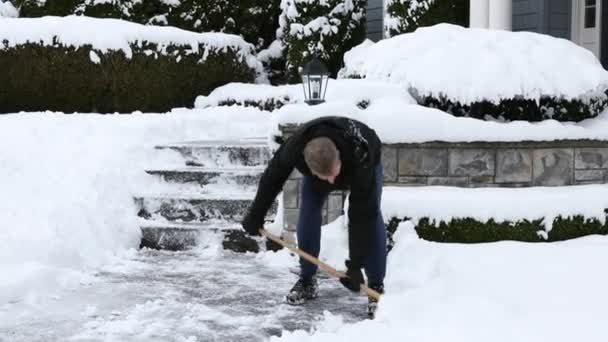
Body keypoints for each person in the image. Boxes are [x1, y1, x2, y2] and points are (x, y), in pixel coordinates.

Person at [241, 116, 387, 318]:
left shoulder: (359, 156)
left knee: (373, 216)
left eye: (334, 174)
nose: (333, 181)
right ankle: (307, 280)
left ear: (339, 157)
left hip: (363, 160)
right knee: (308, 210)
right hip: (323, 167)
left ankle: (376, 287)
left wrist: (355, 265)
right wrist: (255, 214)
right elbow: (272, 179)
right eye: (326, 177)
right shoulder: (294, 148)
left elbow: (363, 215)